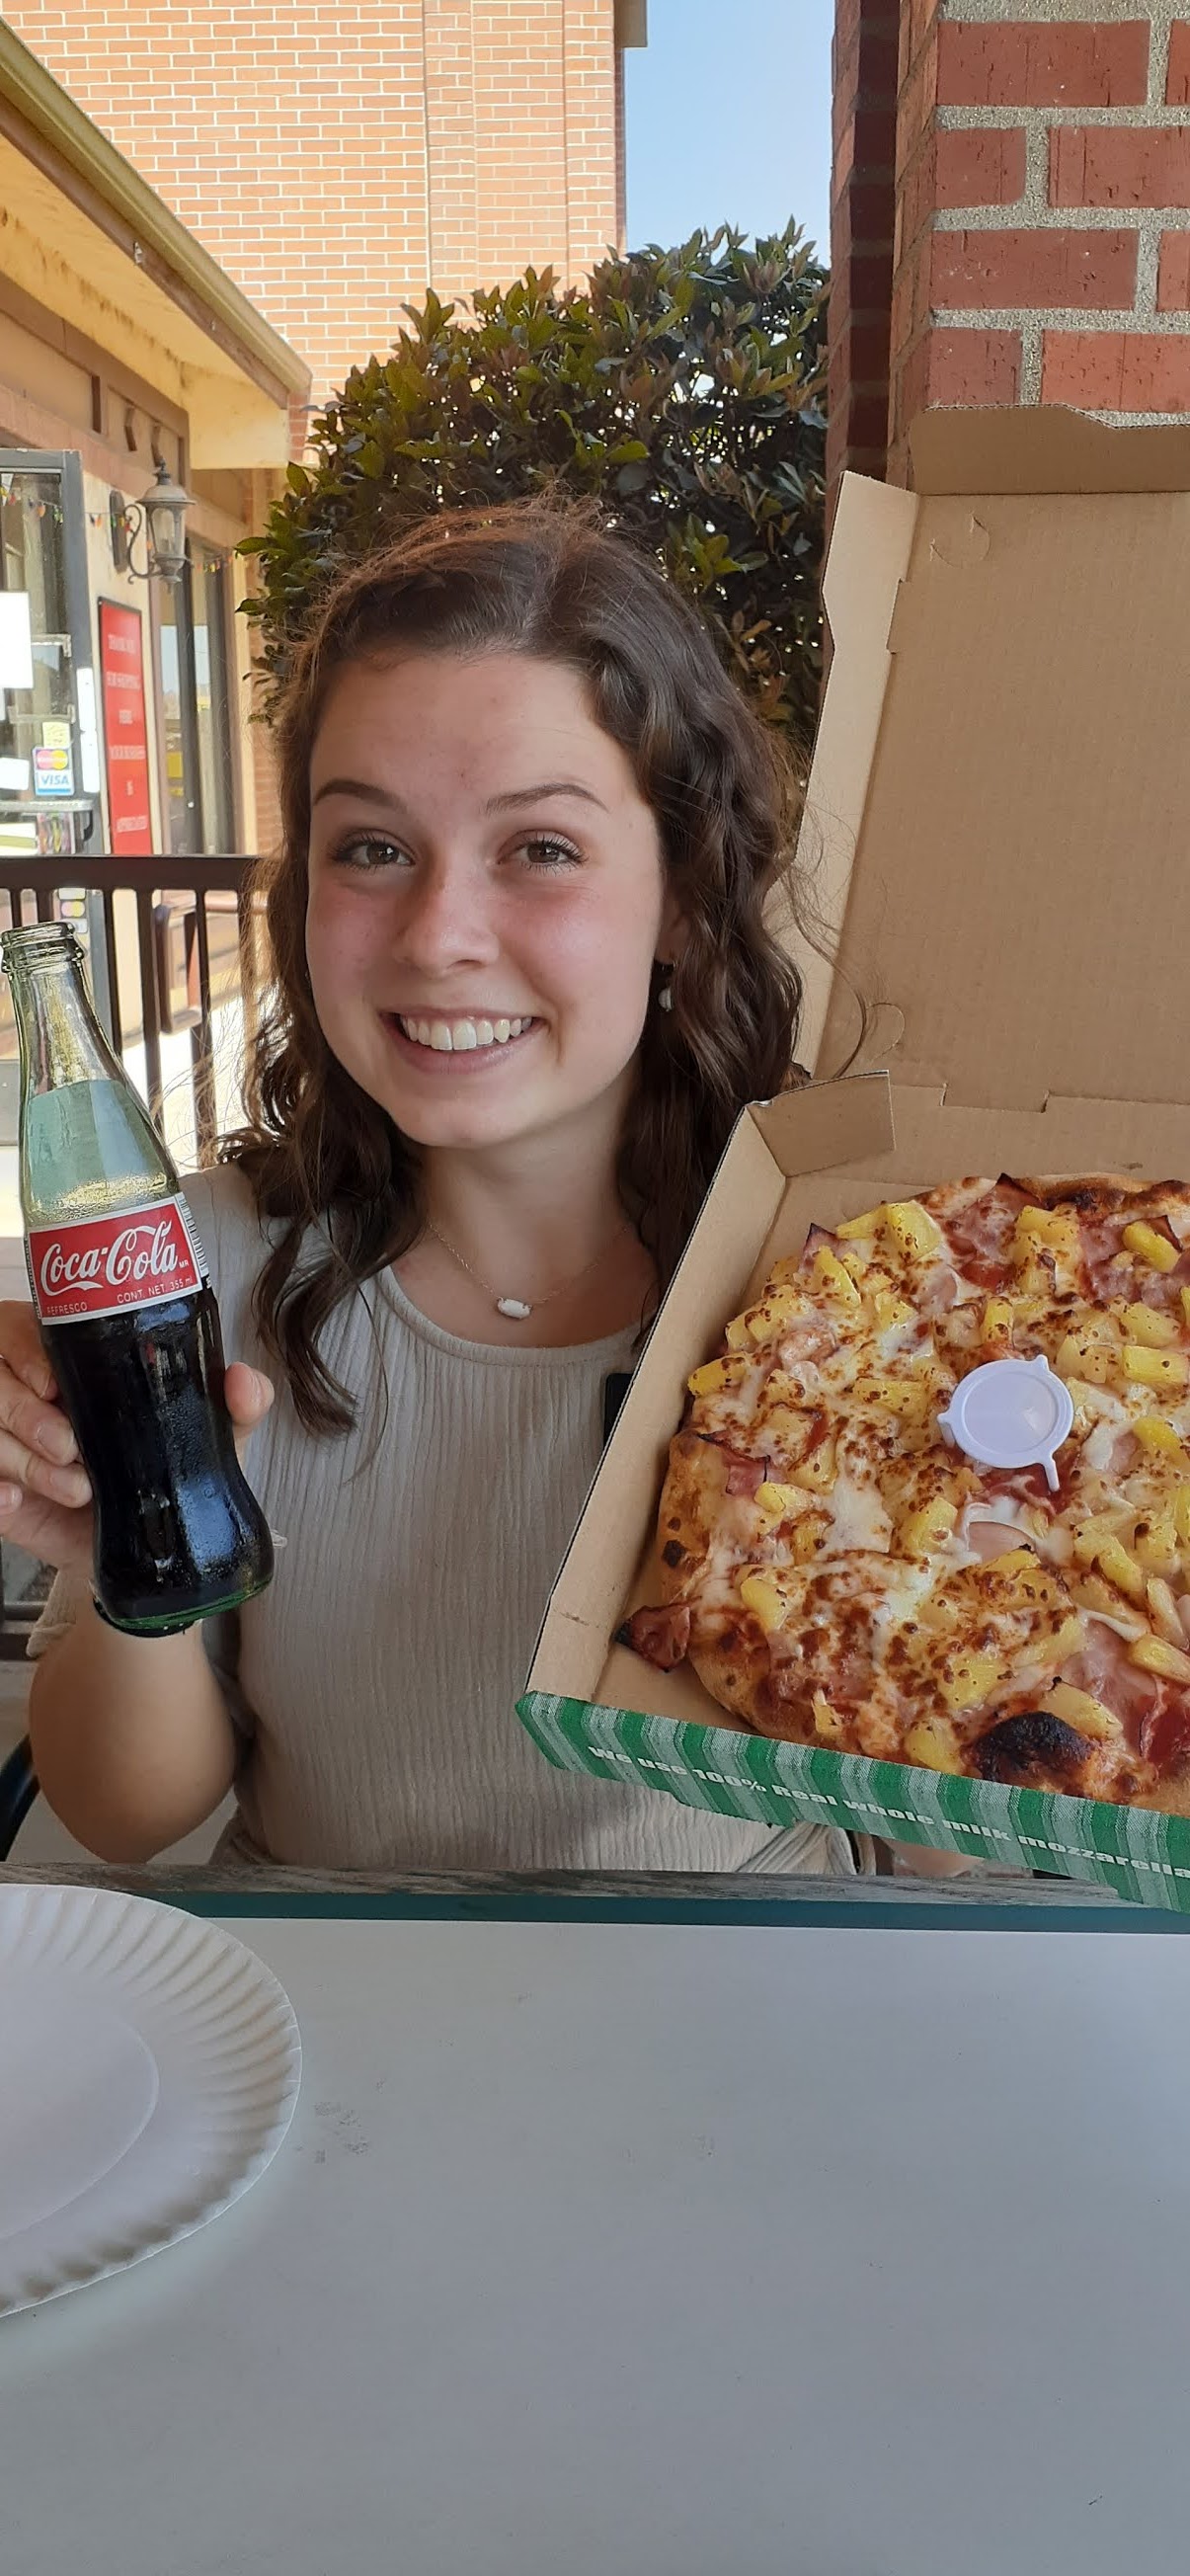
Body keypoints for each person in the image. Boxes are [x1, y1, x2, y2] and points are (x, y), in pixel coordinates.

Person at [0, 503, 855, 1877]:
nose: (439, 936)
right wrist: (128, 1558)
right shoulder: (195, 1269)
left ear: (687, 900)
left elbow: (948, 1835)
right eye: (373, 848)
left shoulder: (840, 1281)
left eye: (541, 849)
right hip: (325, 1997)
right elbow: (124, 1812)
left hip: (749, 1989)